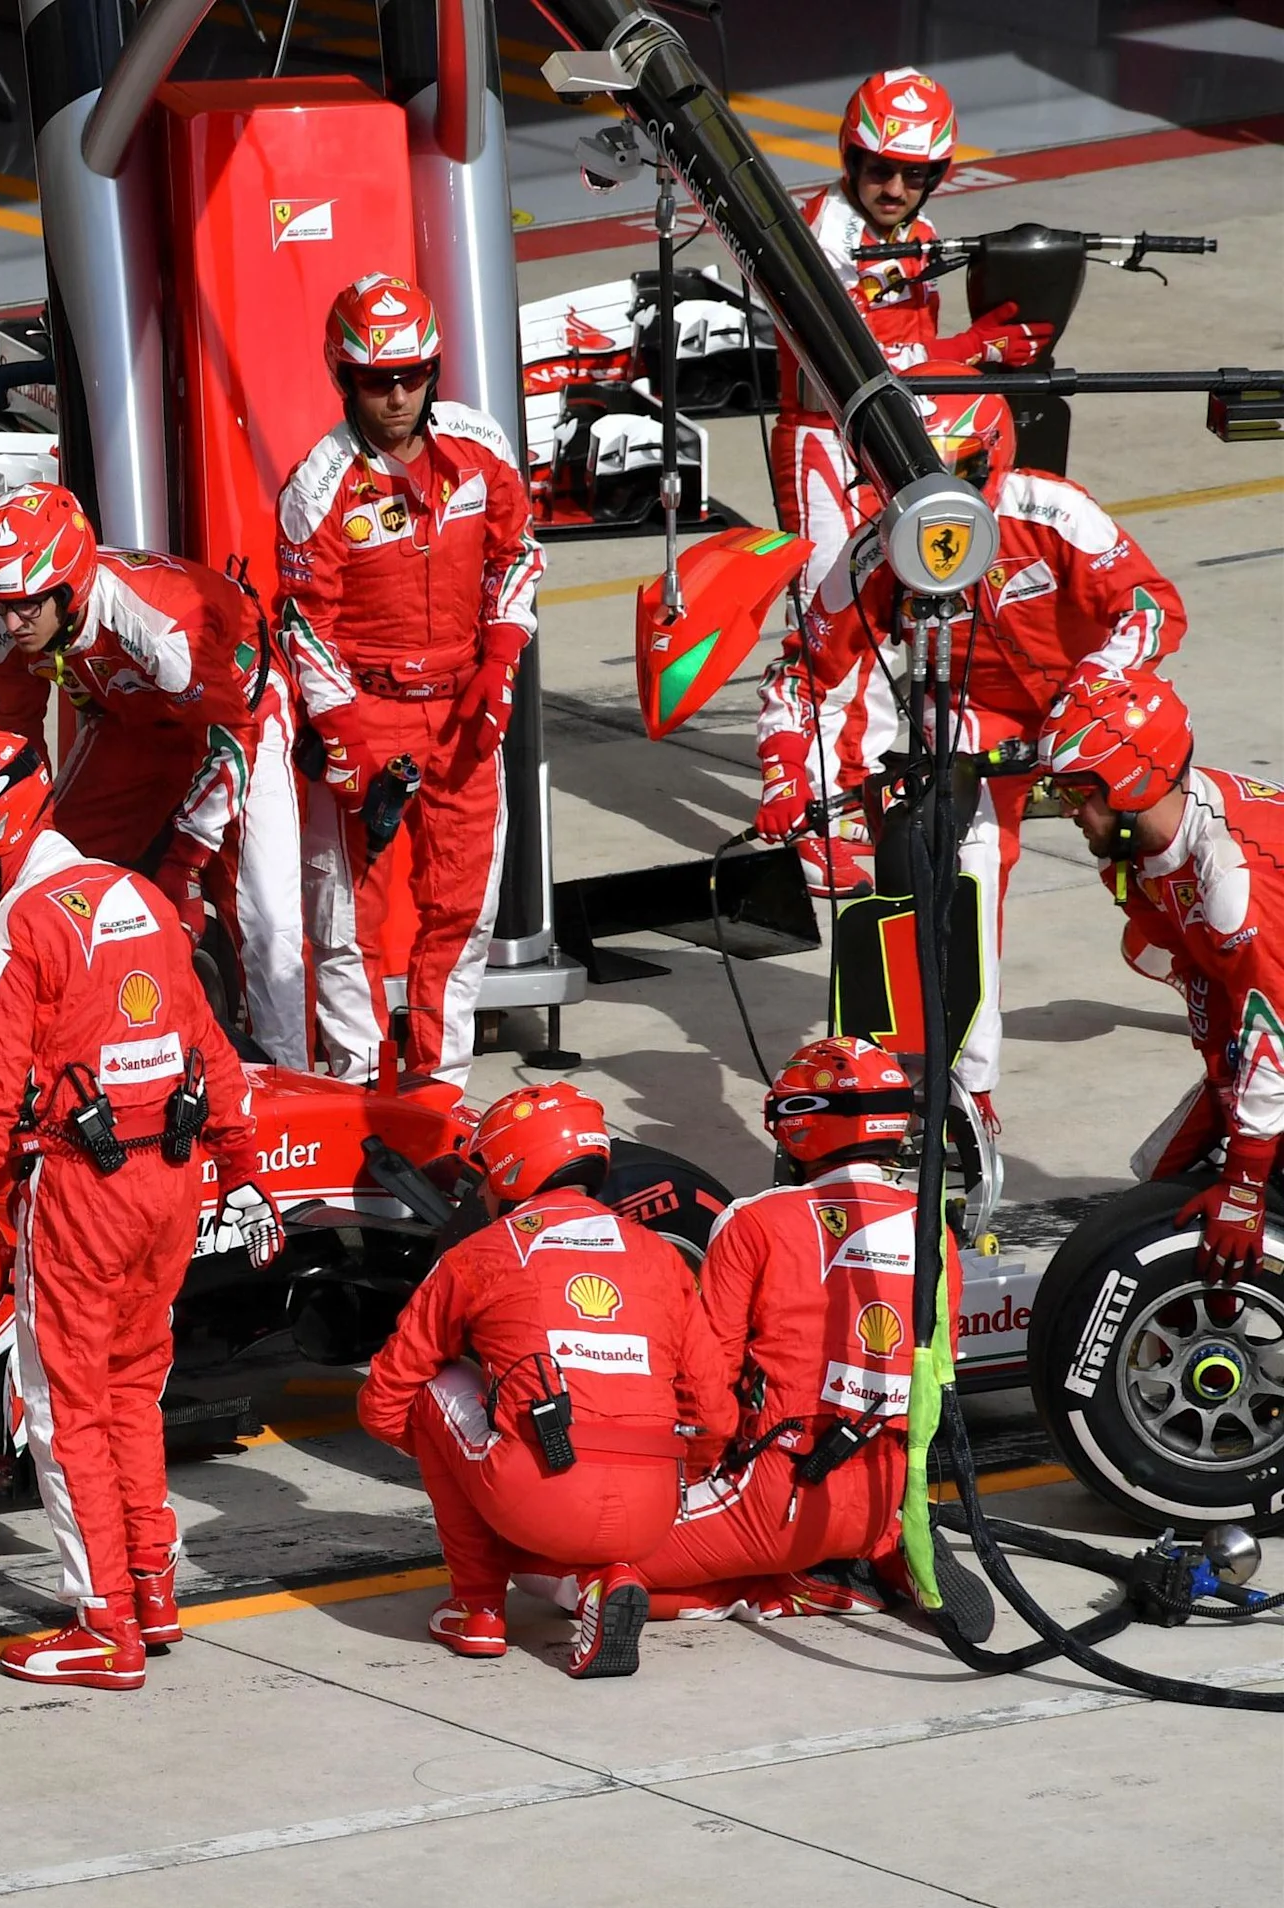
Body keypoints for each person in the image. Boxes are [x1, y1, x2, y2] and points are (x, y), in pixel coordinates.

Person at [0, 727, 259, 1688]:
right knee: (137, 1388)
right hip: (175, 1183)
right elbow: (210, 1045)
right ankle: (152, 1585)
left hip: (82, 1192)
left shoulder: (19, 926)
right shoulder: (139, 895)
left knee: (64, 1409)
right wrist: (241, 1158)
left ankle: (104, 1627)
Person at [787, 377, 1187, 1130]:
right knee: (965, 866)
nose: (938, 497)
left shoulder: (1056, 509)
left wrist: (1095, 691)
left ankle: (1175, 947)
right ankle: (968, 1080)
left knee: (1161, 838)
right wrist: (800, 787)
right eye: (913, 477)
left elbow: (1151, 607)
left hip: (1088, 696)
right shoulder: (878, 546)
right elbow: (811, 671)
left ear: (993, 459)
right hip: (970, 708)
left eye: (958, 474)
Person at [758, 68, 1053, 899]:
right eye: (880, 169)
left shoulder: (925, 228)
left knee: (895, 623)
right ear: (850, 158)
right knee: (829, 625)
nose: (895, 187)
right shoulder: (820, 239)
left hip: (894, 440)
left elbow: (912, 362)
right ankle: (812, 801)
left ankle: (853, 790)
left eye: (915, 174)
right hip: (824, 439)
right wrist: (975, 353)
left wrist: (975, 349)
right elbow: (856, 362)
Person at [357, 1083, 726, 1677]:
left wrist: (453, 1464)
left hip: (538, 1493)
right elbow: (712, 1408)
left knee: (432, 1388)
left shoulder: (479, 1254)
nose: (480, 1191)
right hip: (653, 1507)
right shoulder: (660, 1256)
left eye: (484, 1175)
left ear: (509, 1168)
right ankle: (611, 1577)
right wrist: (685, 1472)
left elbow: (383, 1397)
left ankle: (476, 1607)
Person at [277, 274, 544, 1088]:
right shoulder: (316, 486)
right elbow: (303, 624)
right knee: (343, 916)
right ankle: (358, 1080)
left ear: (433, 370)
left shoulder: (480, 446)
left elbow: (518, 554)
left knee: (461, 909)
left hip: (465, 712)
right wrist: (344, 734)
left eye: (411, 376)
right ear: (342, 377)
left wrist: (501, 660)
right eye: (374, 380)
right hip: (363, 716)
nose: (396, 397)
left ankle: (440, 1085)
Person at [0, 482, 304, 1064]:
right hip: (130, 723)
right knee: (45, 875)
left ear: (70, 587)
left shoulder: (155, 622)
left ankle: (289, 1072)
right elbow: (15, 759)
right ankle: (53, 1048)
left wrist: (183, 863)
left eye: (28, 602)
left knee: (267, 917)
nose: (14, 620)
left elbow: (231, 739)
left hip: (239, 715)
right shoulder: (2, 633)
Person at [636, 1037, 957, 1620]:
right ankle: (883, 1554)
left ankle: (777, 1589)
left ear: (798, 1125)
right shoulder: (935, 1233)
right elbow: (936, 1380)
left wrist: (688, 1474)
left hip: (778, 1495)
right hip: (889, 1496)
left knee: (566, 1565)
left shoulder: (756, 1221)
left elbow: (709, 1393)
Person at [1039, 673, 1283, 1285]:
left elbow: (1270, 1026)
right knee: (1159, 1183)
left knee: (1254, 1177)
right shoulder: (1128, 852)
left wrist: (1246, 1184)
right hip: (1265, 999)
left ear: (1129, 779)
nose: (1065, 810)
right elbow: (1205, 984)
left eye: (1076, 792)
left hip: (1276, 1007)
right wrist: (1227, 1095)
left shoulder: (1230, 874)